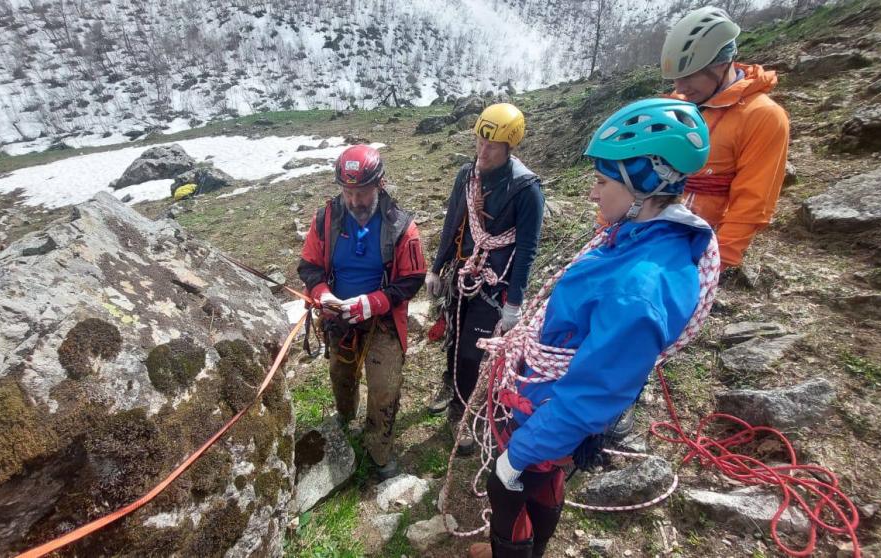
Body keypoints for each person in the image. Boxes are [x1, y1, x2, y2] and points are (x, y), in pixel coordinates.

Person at [468, 98, 716, 558]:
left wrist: (519, 452)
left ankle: (515, 551)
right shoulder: (638, 236)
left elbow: (594, 394)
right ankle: (530, 548)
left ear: (642, 184)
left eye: (602, 181)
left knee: (510, 485)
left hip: (550, 411)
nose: (593, 193)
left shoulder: (639, 287)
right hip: (547, 402)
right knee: (542, 483)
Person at [297, 144, 426, 480]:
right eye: (348, 192)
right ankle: (344, 418)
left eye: (362, 192)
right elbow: (309, 266)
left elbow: (412, 278)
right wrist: (323, 294)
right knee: (341, 376)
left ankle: (379, 451)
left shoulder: (401, 226)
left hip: (382, 319)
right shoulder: (326, 219)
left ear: (379, 184)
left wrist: (373, 302)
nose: (355, 201)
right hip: (339, 316)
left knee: (384, 386)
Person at [424, 103, 545, 454]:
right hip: (461, 275)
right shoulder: (468, 175)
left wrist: (515, 303)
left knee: (472, 352)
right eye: (479, 141)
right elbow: (453, 222)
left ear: (510, 147)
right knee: (452, 334)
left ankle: (461, 412)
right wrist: (437, 266)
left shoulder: (525, 189)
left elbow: (526, 249)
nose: (483, 151)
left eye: (491, 146)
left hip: (494, 285)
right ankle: (450, 384)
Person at [659, 5, 790, 271]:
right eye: (675, 79)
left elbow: (753, 201)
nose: (680, 88)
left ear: (721, 64)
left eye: (688, 76)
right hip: (654, 232)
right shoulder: (676, 105)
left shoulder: (763, 116)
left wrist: (716, 264)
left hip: (700, 245)